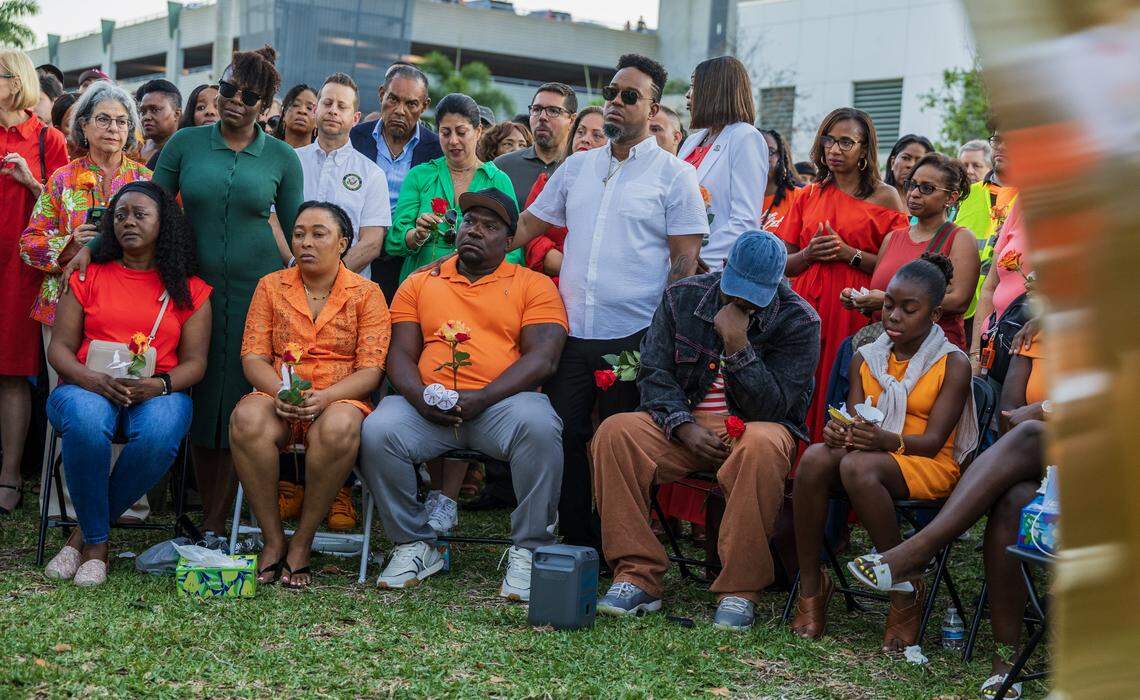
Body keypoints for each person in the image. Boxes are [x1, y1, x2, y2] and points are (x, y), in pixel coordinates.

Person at [91, 45, 304, 539]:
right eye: (228, 89)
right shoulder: (185, 143)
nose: (234, 101)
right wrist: (97, 248)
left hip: (258, 296)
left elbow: (297, 232)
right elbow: (146, 206)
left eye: (249, 96)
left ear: (266, 105)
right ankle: (206, 516)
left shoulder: (283, 157)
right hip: (190, 294)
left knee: (239, 401)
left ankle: (219, 521)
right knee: (202, 400)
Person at [519, 53, 709, 549]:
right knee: (568, 439)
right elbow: (526, 228)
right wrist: (465, 247)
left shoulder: (675, 175)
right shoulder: (576, 167)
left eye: (630, 96)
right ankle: (578, 545)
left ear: (652, 108)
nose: (616, 103)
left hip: (637, 337)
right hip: (572, 331)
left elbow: (685, 265)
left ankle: (621, 546)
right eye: (611, 93)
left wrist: (666, 340)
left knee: (622, 446)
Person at [593, 231, 820, 628]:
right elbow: (654, 373)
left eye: (754, 294)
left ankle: (739, 588)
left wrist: (737, 342)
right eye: (736, 288)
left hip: (754, 428)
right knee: (615, 432)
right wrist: (682, 426)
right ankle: (636, 574)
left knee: (763, 444)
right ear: (724, 268)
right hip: (684, 425)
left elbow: (773, 408)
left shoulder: (799, 320)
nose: (741, 300)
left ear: (779, 283)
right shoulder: (682, 297)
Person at [361, 188, 567, 600]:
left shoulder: (534, 285)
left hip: (502, 406)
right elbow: (399, 355)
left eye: (490, 226)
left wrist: (483, 398)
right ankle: (416, 543)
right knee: (378, 430)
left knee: (541, 425)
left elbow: (543, 358)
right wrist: (420, 398)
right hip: (430, 408)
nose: (475, 230)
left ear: (509, 241)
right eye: (470, 221)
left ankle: (528, 549)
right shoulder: (420, 283)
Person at [790, 256, 976, 651]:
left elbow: (934, 439)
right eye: (889, 304)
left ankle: (903, 586)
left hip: (928, 462)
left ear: (936, 314)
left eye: (909, 309)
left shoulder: (952, 363)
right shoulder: (867, 355)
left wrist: (883, 441)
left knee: (858, 467)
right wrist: (840, 431)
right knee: (817, 457)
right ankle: (811, 583)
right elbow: (859, 421)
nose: (893, 315)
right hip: (874, 456)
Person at [847, 333, 1049, 697]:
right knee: (1012, 499)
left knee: (1034, 431)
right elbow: (1008, 420)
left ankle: (918, 551)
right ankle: (1006, 658)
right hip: (1040, 468)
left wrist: (1048, 409)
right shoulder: (1038, 334)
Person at [42, 181, 211, 586]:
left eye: (140, 214)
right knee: (85, 420)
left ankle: (82, 536)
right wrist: (92, 380)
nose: (128, 222)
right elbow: (60, 350)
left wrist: (159, 385)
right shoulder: (87, 275)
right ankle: (98, 544)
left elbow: (195, 363)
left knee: (159, 432)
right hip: (85, 386)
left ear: (163, 223)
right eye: (120, 216)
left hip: (156, 392)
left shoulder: (190, 289)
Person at [230, 201, 390, 589]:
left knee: (336, 427)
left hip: (339, 398)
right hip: (279, 394)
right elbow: (253, 356)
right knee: (247, 418)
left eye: (319, 234)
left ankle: (301, 542)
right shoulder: (270, 286)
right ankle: (272, 540)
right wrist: (279, 391)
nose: (306, 242)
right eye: (299, 233)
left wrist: (326, 396)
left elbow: (371, 369)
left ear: (342, 243)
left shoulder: (367, 293)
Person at [280, 72, 391, 529]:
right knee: (290, 374)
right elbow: (273, 217)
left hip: (348, 300)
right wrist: (296, 265)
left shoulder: (370, 172)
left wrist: (331, 273)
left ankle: (339, 492)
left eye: (341, 106)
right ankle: (290, 482)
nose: (331, 111)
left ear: (356, 116)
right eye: (325, 103)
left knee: (339, 386)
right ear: (314, 108)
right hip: (289, 289)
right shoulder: (288, 160)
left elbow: (374, 239)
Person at [776, 107, 907, 441]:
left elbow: (900, 268)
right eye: (829, 141)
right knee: (800, 381)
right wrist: (809, 254)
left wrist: (850, 255)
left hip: (855, 307)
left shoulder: (887, 197)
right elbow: (784, 263)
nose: (834, 150)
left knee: (843, 383)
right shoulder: (807, 195)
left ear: (865, 150)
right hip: (805, 305)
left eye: (846, 143)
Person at [22, 81, 150, 351]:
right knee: (64, 390)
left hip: (128, 304)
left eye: (122, 121)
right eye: (103, 119)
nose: (113, 128)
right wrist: (71, 244)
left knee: (121, 385)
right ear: (83, 125)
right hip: (63, 302)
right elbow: (29, 245)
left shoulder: (146, 181)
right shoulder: (62, 179)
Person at [0, 49, 69, 514]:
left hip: (20, 271)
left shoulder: (48, 138)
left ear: (17, 80)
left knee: (12, 374)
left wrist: (30, 182)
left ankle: (10, 475)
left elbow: (66, 210)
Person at [842, 153, 980, 350]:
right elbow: (879, 291)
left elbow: (959, 301)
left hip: (931, 351)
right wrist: (859, 299)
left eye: (927, 188)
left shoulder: (960, 238)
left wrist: (889, 302)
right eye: (912, 185)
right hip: (884, 349)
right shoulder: (893, 238)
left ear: (951, 197)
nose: (914, 193)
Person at [384, 93, 522, 283]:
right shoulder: (420, 175)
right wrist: (416, 235)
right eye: (445, 133)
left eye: (461, 132)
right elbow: (394, 239)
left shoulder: (497, 180)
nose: (453, 141)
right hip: (422, 283)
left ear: (478, 131)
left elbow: (513, 246)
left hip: (479, 286)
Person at [349, 63, 442, 301]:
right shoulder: (354, 138)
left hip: (407, 261)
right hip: (355, 256)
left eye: (411, 104)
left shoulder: (437, 151)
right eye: (393, 99)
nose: (400, 110)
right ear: (382, 94)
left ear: (424, 106)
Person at [678, 56, 768, 270]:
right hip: (676, 263)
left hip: (708, 270)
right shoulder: (692, 141)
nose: (688, 95)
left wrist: (697, 259)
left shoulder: (745, 137)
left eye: (693, 86)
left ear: (715, 89)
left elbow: (744, 221)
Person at [522, 106, 606, 285]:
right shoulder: (547, 182)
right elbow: (529, 231)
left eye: (596, 135)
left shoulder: (621, 193)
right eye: (580, 132)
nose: (585, 139)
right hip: (546, 284)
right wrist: (562, 264)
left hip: (598, 289)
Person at [970, 198, 1031, 373]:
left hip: (1035, 353)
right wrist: (975, 354)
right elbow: (990, 286)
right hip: (995, 345)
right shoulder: (1022, 204)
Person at [494, 82, 577, 204]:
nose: (542, 117)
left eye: (553, 111)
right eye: (536, 109)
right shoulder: (502, 167)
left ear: (572, 120)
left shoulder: (580, 169)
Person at [759, 128, 800, 234]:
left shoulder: (799, 197)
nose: (763, 156)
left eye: (770, 151)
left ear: (780, 157)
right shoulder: (735, 198)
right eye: (756, 150)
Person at [135, 79, 183, 169]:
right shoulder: (132, 148)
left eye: (155, 110)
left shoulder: (185, 152)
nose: (146, 117)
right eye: (143, 111)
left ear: (177, 114)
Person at [883, 134, 935, 205]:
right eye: (905, 158)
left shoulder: (934, 205)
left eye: (919, 161)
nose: (911, 165)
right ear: (893, 162)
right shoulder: (873, 197)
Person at [274, 83, 317, 148]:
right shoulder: (269, 150)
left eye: (309, 108)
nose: (302, 111)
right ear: (284, 113)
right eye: (295, 105)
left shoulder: (321, 157)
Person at [50, 93, 80, 158]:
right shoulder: (55, 162)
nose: (81, 128)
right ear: (58, 130)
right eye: (71, 124)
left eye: (86, 120)